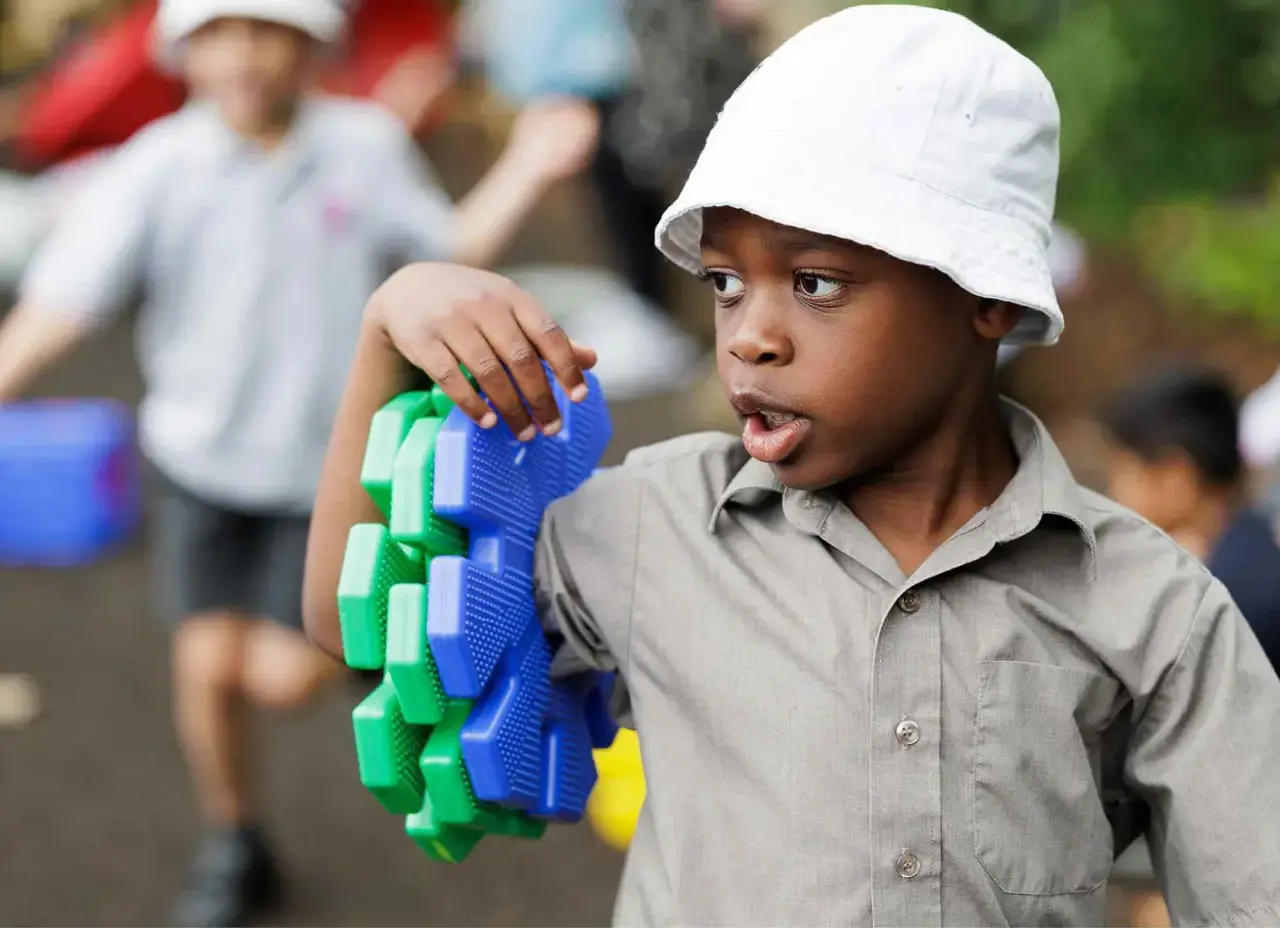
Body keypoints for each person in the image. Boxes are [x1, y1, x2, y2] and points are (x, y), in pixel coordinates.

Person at [303, 6, 1280, 926]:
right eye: (725, 281)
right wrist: (387, 330)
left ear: (986, 296)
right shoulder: (653, 521)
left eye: (814, 281)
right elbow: (358, 642)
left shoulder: (1152, 610)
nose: (749, 338)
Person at [0, 0, 596, 924]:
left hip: (327, 480)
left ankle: (376, 654)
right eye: (221, 32)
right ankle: (234, 835)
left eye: (269, 29)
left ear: (314, 44)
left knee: (283, 673)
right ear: (184, 50)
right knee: (203, 664)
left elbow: (448, 257)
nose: (245, 54)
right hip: (200, 466)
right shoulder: (157, 166)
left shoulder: (361, 147)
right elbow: (60, 306)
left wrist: (524, 165)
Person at [1101, 364, 1280, 927]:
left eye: (1125, 471)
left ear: (1176, 476)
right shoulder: (1243, 553)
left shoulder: (1236, 595)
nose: (1113, 492)